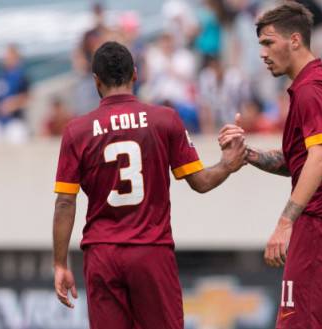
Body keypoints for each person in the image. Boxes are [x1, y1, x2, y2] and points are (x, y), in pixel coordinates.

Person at [52, 41, 246, 329]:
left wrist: (59, 264)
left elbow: (65, 202)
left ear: (96, 81)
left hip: (102, 253)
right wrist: (228, 163)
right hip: (151, 251)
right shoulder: (164, 120)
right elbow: (201, 182)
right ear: (135, 74)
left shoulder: (76, 131)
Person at [219, 3, 322, 328]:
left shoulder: (312, 90)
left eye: (269, 42)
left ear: (295, 40)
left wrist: (284, 224)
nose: (263, 53)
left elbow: (320, 159)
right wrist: (249, 155)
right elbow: (304, 160)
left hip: (319, 225)